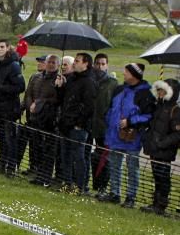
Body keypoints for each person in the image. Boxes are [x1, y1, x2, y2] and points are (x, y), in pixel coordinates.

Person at [97, 62, 154, 207]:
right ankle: (115, 193)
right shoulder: (119, 89)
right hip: (115, 135)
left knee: (132, 168)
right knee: (114, 165)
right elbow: (111, 109)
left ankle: (131, 197)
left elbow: (148, 116)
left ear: (135, 75)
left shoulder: (146, 93)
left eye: (126, 72)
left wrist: (130, 121)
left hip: (132, 137)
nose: (123, 74)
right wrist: (109, 123)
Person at [54, 52, 96, 193]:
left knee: (78, 157)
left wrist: (80, 123)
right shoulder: (71, 79)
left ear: (86, 64)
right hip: (66, 122)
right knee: (65, 155)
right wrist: (59, 87)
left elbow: (89, 106)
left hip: (78, 126)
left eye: (77, 61)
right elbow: (62, 100)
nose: (74, 64)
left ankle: (79, 186)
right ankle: (67, 182)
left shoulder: (89, 81)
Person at [141, 79, 180, 214]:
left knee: (163, 178)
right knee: (157, 177)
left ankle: (161, 204)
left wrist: (161, 143)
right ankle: (156, 203)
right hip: (154, 149)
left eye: (162, 90)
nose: (159, 92)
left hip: (164, 151)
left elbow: (177, 134)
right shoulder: (159, 107)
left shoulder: (175, 110)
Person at [0, 39, 25, 175]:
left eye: (2, 47)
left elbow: (21, 86)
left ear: (8, 48)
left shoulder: (14, 65)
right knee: (2, 138)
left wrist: (2, 88)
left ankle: (11, 167)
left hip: (9, 108)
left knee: (10, 138)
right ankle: (1, 163)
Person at [26, 55, 61, 187]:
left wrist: (40, 103)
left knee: (48, 151)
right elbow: (30, 93)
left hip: (50, 119)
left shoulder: (58, 80)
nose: (51, 65)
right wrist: (30, 106)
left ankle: (46, 177)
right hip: (35, 118)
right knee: (37, 147)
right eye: (49, 62)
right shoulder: (37, 78)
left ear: (57, 64)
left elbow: (56, 99)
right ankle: (39, 174)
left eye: (54, 63)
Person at [89, 53, 118, 196]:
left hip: (104, 125)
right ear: (94, 64)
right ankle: (92, 183)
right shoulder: (89, 78)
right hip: (88, 123)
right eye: (98, 64)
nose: (100, 66)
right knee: (90, 155)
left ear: (107, 65)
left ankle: (102, 186)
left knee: (103, 157)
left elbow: (115, 105)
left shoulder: (112, 83)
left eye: (103, 64)